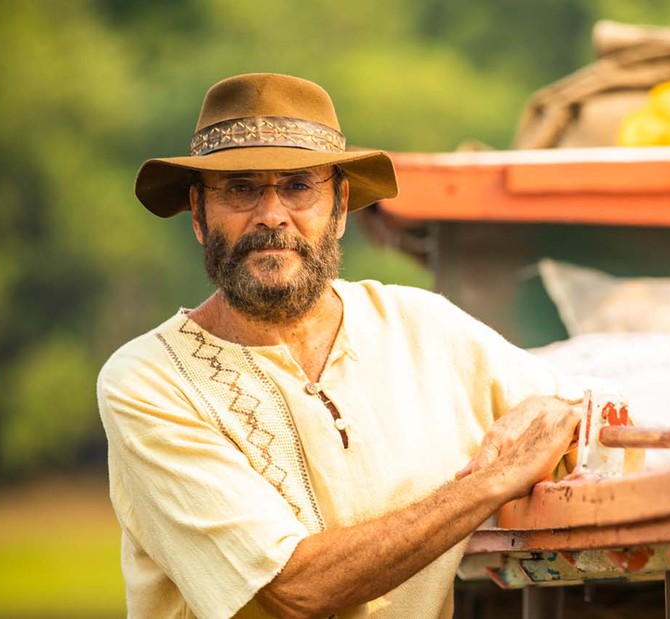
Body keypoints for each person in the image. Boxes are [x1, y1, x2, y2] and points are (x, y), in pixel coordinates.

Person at [97, 72, 586, 619]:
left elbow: (587, 426)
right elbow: (292, 589)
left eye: (299, 186)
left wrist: (561, 413)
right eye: (240, 188)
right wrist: (492, 483)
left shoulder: (422, 326)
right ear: (198, 214)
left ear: (340, 205)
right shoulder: (149, 380)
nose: (272, 214)